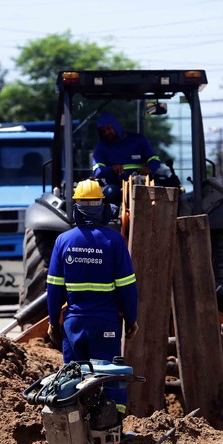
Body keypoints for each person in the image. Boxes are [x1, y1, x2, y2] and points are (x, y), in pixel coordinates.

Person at [46, 179, 139, 413]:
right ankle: (113, 427)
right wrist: (131, 318)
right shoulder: (114, 241)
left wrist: (52, 321)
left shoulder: (63, 241)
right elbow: (127, 286)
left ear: (76, 206)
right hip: (106, 323)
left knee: (73, 377)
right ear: (102, 206)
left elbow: (54, 287)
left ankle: (75, 427)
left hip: (74, 324)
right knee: (109, 373)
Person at [91, 112, 162, 205]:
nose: (107, 133)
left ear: (115, 125)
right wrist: (112, 169)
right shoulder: (100, 147)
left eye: (108, 128)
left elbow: (155, 160)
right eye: (103, 131)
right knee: (110, 192)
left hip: (142, 183)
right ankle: (114, 215)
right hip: (116, 186)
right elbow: (97, 171)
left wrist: (149, 169)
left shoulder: (138, 140)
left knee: (161, 194)